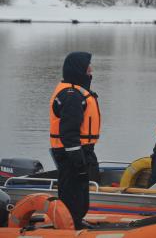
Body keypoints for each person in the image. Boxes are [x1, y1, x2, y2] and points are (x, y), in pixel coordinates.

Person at [49, 52, 101, 229]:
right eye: (88, 68)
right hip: (71, 152)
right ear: (79, 70)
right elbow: (69, 133)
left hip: (81, 150)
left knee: (80, 191)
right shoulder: (71, 95)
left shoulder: (76, 92)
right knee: (72, 191)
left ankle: (76, 219)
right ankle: (69, 223)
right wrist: (77, 159)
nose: (91, 71)